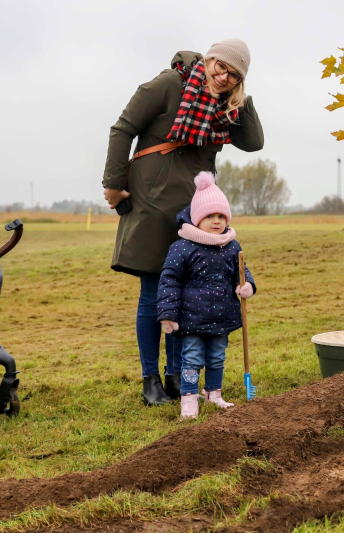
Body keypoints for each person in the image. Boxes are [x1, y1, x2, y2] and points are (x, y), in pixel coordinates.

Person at [100, 40, 264, 406]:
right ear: (207, 59)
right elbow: (122, 129)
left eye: (233, 74)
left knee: (186, 295)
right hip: (151, 205)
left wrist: (241, 96)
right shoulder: (169, 85)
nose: (223, 76)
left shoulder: (225, 106)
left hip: (195, 211)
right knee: (154, 293)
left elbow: (253, 142)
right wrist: (113, 184)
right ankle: (150, 380)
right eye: (220, 66)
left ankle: (177, 376)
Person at [157, 172, 255, 419]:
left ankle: (214, 393)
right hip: (191, 320)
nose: (216, 221)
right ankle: (189, 399)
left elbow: (242, 272)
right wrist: (168, 314)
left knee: (217, 357)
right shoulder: (182, 247)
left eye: (221, 216)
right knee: (191, 358)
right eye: (209, 216)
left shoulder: (232, 245)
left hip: (222, 316)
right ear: (197, 218)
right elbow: (169, 280)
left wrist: (247, 286)